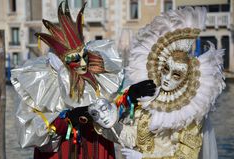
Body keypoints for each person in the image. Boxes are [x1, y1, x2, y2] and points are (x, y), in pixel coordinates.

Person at [89, 7, 225, 159]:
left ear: (186, 79)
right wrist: (109, 122)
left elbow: (186, 156)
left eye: (176, 75)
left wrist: (143, 158)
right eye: (166, 70)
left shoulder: (190, 113)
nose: (166, 78)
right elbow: (132, 137)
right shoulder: (151, 100)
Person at [11, 1, 123, 158]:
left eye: (84, 56)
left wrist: (130, 98)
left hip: (97, 149)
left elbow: (118, 112)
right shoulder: (40, 83)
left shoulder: (99, 76)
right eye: (75, 59)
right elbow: (29, 131)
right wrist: (66, 120)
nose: (83, 63)